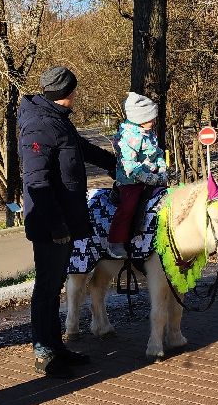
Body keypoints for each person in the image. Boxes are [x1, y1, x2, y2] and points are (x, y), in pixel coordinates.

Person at [17, 66, 117, 377]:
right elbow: (37, 181)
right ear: (66, 93)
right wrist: (57, 225)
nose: (75, 95)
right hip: (51, 226)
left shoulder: (58, 121)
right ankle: (44, 352)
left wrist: (115, 163)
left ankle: (56, 346)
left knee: (55, 285)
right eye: (73, 91)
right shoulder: (39, 126)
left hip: (63, 222)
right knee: (46, 288)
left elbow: (81, 149)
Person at [108, 92, 167, 259]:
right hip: (131, 181)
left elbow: (158, 153)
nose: (154, 121)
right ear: (140, 118)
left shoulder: (149, 134)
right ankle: (116, 240)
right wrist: (147, 178)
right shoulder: (129, 137)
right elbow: (130, 166)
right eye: (151, 118)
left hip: (153, 177)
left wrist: (162, 170)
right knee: (129, 205)